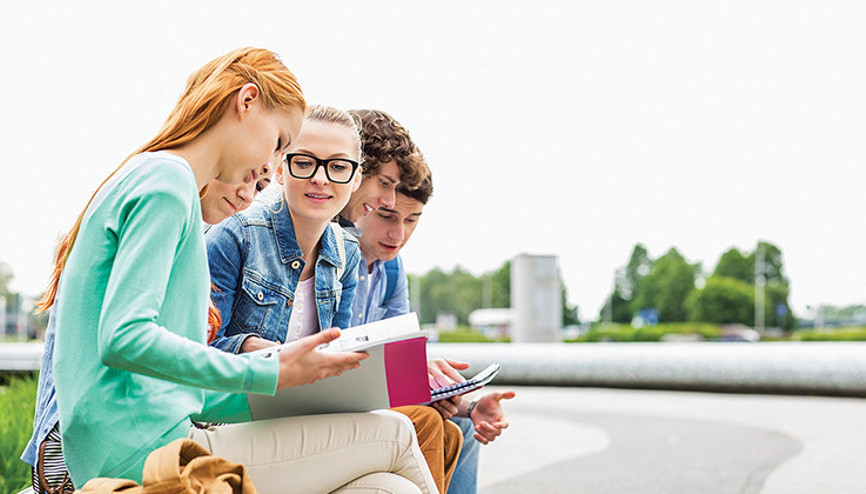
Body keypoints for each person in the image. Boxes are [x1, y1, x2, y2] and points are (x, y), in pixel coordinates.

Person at [42, 48, 437, 493]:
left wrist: (291, 383)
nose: (271, 165)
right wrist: (268, 372)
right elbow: (124, 339)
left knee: (385, 488)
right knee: (398, 434)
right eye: (280, 143)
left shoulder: (157, 181)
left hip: (147, 440)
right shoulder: (168, 183)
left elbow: (178, 388)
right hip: (151, 454)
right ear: (247, 102)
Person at [205, 104, 458, 494]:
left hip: (304, 414)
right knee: (403, 430)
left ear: (356, 179)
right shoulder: (234, 236)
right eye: (305, 162)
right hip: (235, 419)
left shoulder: (346, 255)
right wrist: (259, 350)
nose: (321, 179)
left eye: (338, 167)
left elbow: (341, 354)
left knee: (395, 488)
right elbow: (190, 356)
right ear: (282, 167)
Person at [22, 162, 273, 494]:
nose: (247, 196)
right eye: (245, 176)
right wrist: (271, 378)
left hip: (98, 440)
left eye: (259, 187)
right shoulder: (160, 207)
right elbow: (133, 351)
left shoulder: (175, 227)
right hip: (92, 452)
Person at [353, 175, 515, 494]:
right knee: (434, 426)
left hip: (370, 396)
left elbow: (397, 363)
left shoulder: (392, 269)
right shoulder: (341, 258)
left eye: (412, 220)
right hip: (348, 398)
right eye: (387, 217)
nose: (399, 234)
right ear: (364, 205)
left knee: (464, 425)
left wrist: (465, 403)